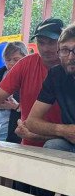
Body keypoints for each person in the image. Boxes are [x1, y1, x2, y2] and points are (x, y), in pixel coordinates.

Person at [0, 18, 64, 147]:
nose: (45, 48)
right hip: (28, 144)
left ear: (63, 42)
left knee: (55, 144)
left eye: (51, 42)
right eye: (41, 42)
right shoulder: (26, 64)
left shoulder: (69, 67)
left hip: (64, 148)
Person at [26, 23, 75, 153]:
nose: (71, 57)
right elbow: (31, 121)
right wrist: (65, 130)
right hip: (69, 143)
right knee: (53, 145)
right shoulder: (56, 74)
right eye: (65, 50)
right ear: (59, 52)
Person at [0, 41, 27, 143]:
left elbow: (38, 111)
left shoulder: (30, 78)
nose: (12, 63)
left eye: (16, 60)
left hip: (17, 138)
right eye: (8, 60)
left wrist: (15, 106)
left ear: (26, 58)